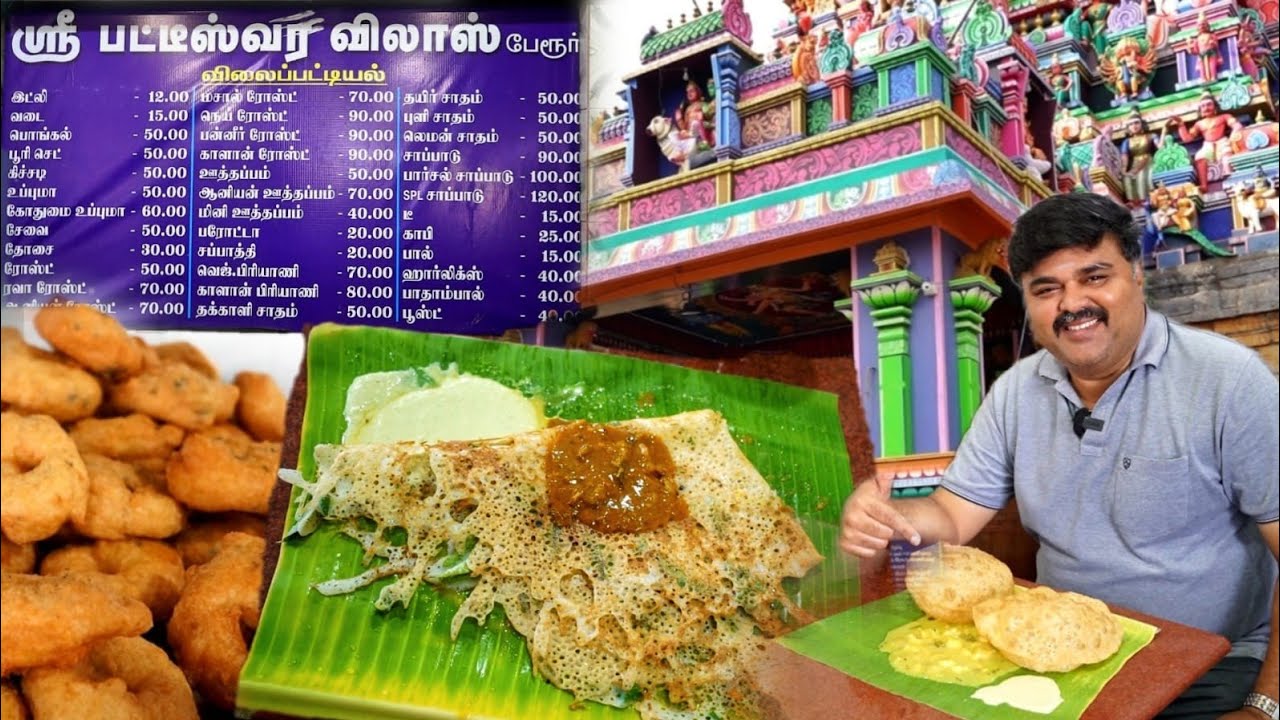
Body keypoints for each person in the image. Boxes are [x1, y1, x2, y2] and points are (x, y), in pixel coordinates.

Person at [839, 193, 1278, 720]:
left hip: (1211, 663)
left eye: (1095, 277)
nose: (1072, 304)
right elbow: (952, 516)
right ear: (1026, 300)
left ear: (1137, 275)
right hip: (1055, 664)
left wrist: (1264, 705)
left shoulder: (1227, 380)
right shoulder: (1015, 392)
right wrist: (888, 517)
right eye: (1047, 289)